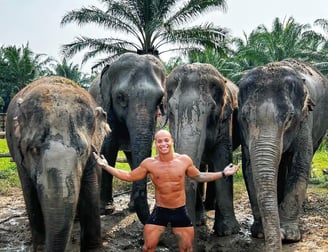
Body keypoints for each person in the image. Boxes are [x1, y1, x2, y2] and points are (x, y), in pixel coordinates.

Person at [93, 129, 240, 252]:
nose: (163, 144)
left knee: (187, 249)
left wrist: (223, 173)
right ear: (155, 144)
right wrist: (106, 166)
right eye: (159, 141)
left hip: (180, 212)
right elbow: (129, 176)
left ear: (172, 141)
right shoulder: (149, 164)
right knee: (147, 247)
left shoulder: (184, 160)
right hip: (160, 211)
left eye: (166, 140)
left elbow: (200, 176)